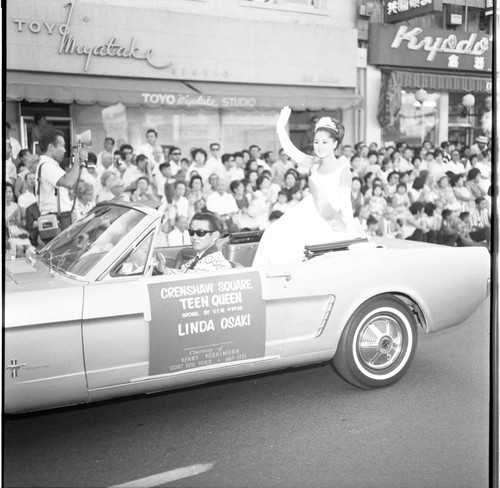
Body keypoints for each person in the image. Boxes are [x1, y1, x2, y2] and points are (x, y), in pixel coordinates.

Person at [253, 106, 362, 266]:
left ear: (335, 143)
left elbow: (345, 203)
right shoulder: (314, 162)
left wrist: (351, 231)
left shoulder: (343, 169)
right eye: (316, 142)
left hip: (329, 218)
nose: (320, 146)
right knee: (274, 232)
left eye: (325, 142)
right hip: (307, 209)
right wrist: (280, 129)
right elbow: (290, 151)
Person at [35, 128, 87, 236]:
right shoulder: (47, 166)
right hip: (55, 219)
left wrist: (79, 163)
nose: (65, 150)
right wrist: (77, 160)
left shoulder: (53, 165)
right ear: (51, 147)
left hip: (61, 218)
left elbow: (71, 183)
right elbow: (69, 182)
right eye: (62, 146)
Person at [158, 212, 232, 274]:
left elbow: (184, 281)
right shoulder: (198, 258)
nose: (194, 237)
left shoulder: (212, 264)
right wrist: (163, 269)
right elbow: (182, 273)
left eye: (200, 232)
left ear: (214, 236)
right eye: (191, 232)